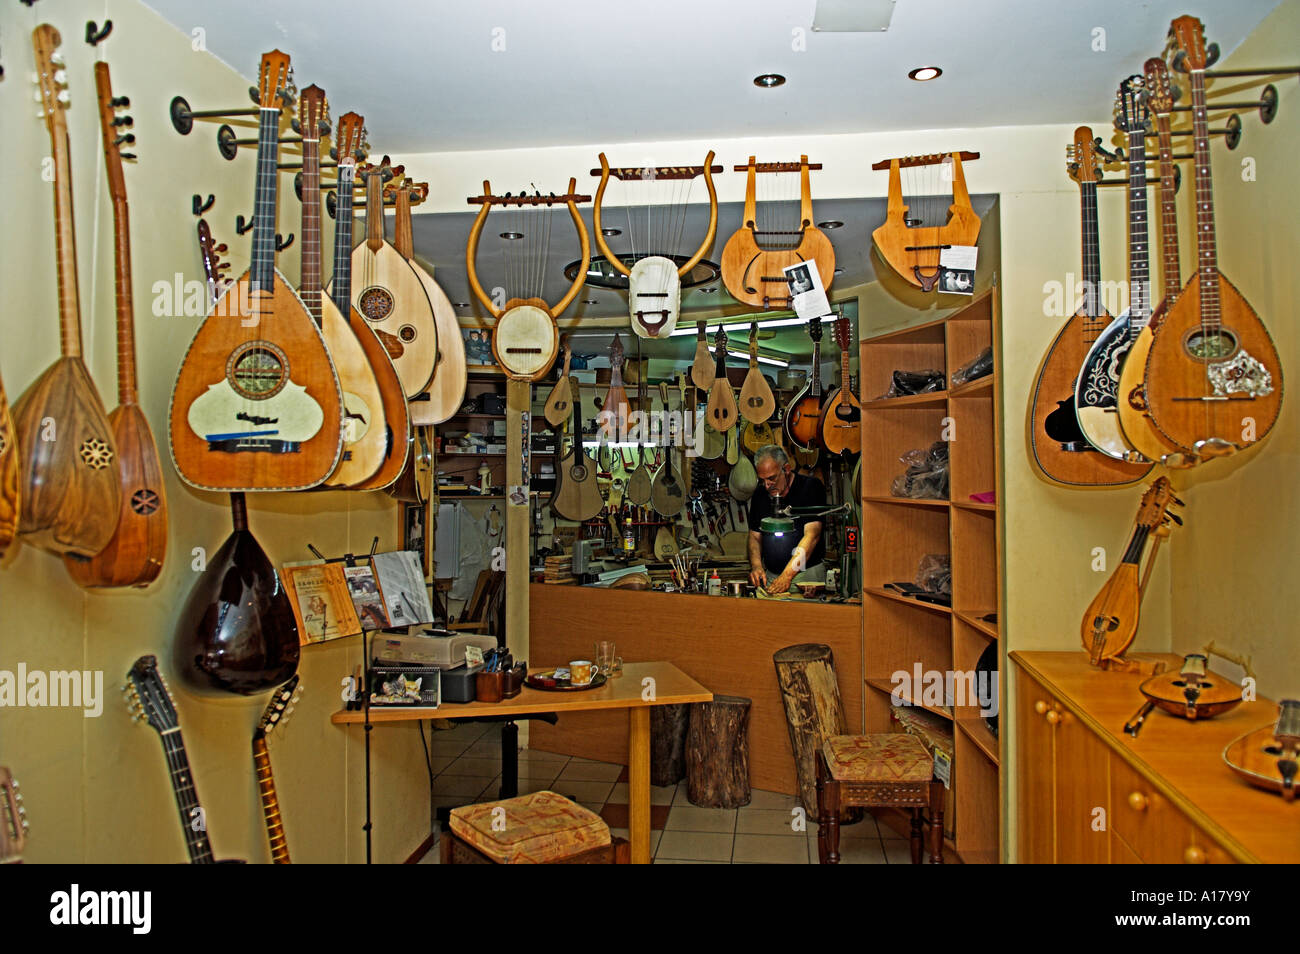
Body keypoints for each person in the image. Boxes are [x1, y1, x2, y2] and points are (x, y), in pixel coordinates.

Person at [747, 445, 826, 594]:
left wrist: (787, 576)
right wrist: (757, 566)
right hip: (771, 575)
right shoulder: (760, 494)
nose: (767, 486)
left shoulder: (810, 488)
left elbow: (812, 536)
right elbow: (754, 536)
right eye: (762, 480)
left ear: (787, 469)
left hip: (805, 576)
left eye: (771, 478)